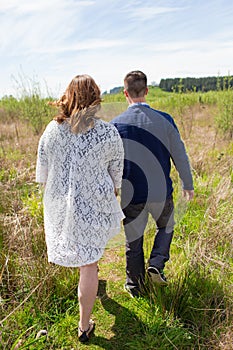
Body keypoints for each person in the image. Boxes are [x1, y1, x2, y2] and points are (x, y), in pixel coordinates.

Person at [36, 74, 124, 341]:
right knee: (88, 263)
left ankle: (90, 301)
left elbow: (42, 174)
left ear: (68, 96)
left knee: (87, 262)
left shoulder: (52, 131)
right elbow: (116, 173)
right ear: (95, 98)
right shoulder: (107, 131)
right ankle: (84, 326)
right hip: (95, 204)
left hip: (63, 205)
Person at [111, 70, 194, 298]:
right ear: (147, 91)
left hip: (131, 194)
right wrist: (188, 183)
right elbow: (180, 155)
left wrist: (111, 188)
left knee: (133, 240)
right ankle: (156, 262)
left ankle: (135, 286)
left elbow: (110, 162)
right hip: (161, 192)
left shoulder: (115, 125)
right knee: (166, 226)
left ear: (125, 93)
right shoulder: (165, 120)